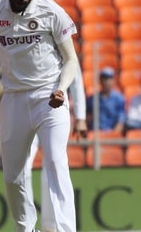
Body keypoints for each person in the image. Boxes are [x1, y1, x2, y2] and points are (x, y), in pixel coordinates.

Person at [0, 0, 82, 232]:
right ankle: (25, 228)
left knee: (56, 162)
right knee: (12, 177)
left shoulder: (51, 11)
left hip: (49, 98)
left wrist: (61, 88)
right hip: (14, 99)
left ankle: (64, 229)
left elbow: (71, 60)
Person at [26, 64, 87, 232]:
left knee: (53, 164)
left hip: (53, 114)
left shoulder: (62, 41)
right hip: (27, 111)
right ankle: (27, 225)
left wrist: (81, 117)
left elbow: (76, 81)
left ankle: (52, 226)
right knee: (22, 166)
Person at [86, 67, 126, 133]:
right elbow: (87, 116)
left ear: (113, 80)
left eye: (109, 78)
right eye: (104, 78)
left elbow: (121, 121)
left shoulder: (119, 99)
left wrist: (113, 135)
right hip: (95, 134)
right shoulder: (92, 98)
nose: (106, 81)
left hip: (111, 133)